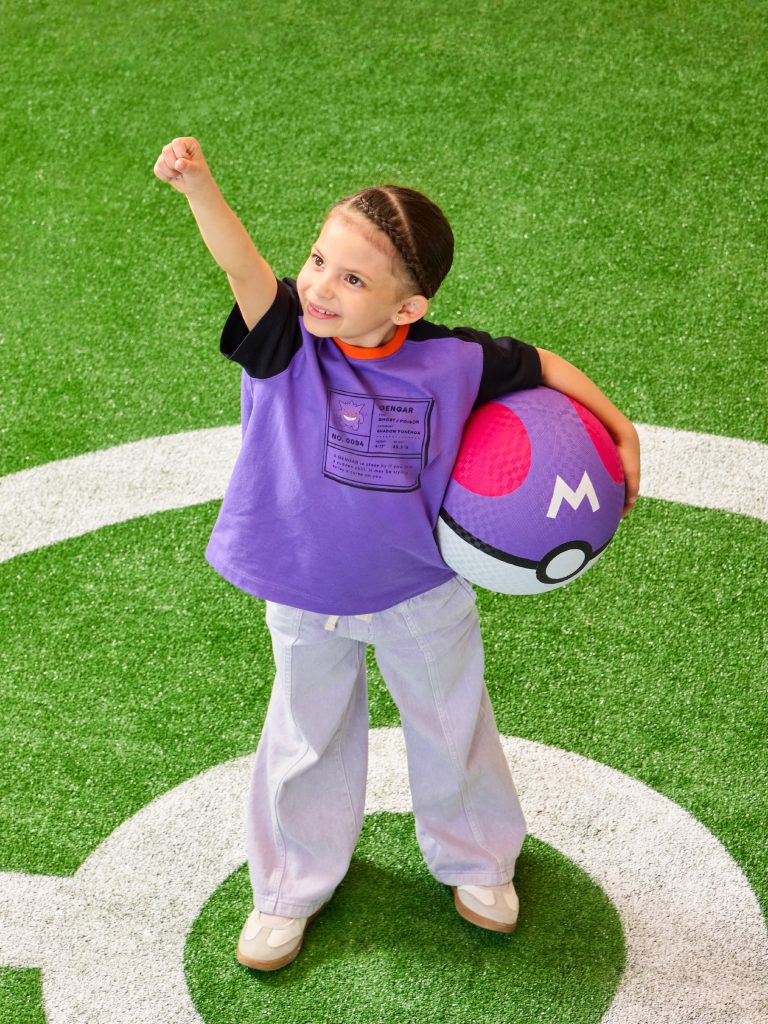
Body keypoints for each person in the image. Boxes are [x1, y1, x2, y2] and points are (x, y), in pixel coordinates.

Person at [153, 136, 640, 972]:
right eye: (316, 259)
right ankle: (288, 888)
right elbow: (241, 268)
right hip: (304, 590)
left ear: (407, 306)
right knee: (305, 736)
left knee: (453, 725)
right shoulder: (285, 342)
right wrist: (200, 187)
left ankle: (479, 861)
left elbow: (545, 364)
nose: (316, 285)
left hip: (420, 591)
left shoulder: (454, 360)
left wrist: (620, 429)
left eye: (350, 278)